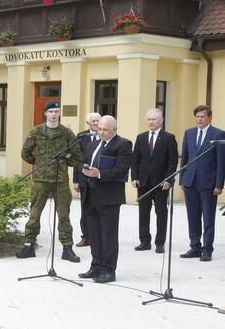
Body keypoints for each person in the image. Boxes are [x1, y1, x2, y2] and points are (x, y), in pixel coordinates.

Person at [16, 100, 83, 262]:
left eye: (56, 111)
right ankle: (29, 244)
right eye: (51, 111)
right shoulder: (37, 131)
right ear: (45, 113)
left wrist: (65, 161)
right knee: (34, 214)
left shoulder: (66, 133)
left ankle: (67, 248)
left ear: (60, 114)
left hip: (60, 179)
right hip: (40, 179)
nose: (53, 114)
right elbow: (25, 152)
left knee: (64, 215)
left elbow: (78, 156)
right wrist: (38, 162)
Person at [78, 115, 132, 283]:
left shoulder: (123, 144)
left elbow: (122, 170)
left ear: (114, 130)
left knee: (108, 234)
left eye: (105, 130)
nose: (101, 132)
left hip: (109, 196)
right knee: (93, 233)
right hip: (90, 194)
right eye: (99, 129)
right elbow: (82, 162)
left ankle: (108, 270)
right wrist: (84, 169)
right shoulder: (93, 144)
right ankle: (96, 266)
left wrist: (99, 173)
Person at [179, 105, 225, 262]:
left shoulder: (218, 134)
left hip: (208, 183)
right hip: (190, 181)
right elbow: (184, 157)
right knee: (192, 216)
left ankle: (207, 249)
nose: (200, 119)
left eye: (203, 116)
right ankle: (195, 246)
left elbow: (221, 162)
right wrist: (182, 180)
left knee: (208, 217)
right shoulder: (189, 133)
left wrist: (219, 185)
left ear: (210, 118)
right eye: (197, 116)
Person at [131, 109, 178, 254]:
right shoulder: (141, 137)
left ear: (161, 121)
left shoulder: (169, 138)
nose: (151, 122)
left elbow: (172, 161)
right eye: (149, 119)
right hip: (143, 182)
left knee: (161, 213)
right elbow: (135, 160)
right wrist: (134, 177)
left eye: (154, 119)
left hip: (161, 183)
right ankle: (144, 241)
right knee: (143, 212)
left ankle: (160, 242)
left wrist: (169, 180)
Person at [73, 112, 101, 247]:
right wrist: (75, 180)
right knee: (85, 209)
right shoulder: (81, 137)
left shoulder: (104, 135)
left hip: (100, 179)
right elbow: (76, 159)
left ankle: (98, 236)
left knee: (99, 208)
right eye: (93, 121)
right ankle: (86, 237)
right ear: (88, 123)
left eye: (97, 121)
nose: (96, 123)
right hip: (84, 179)